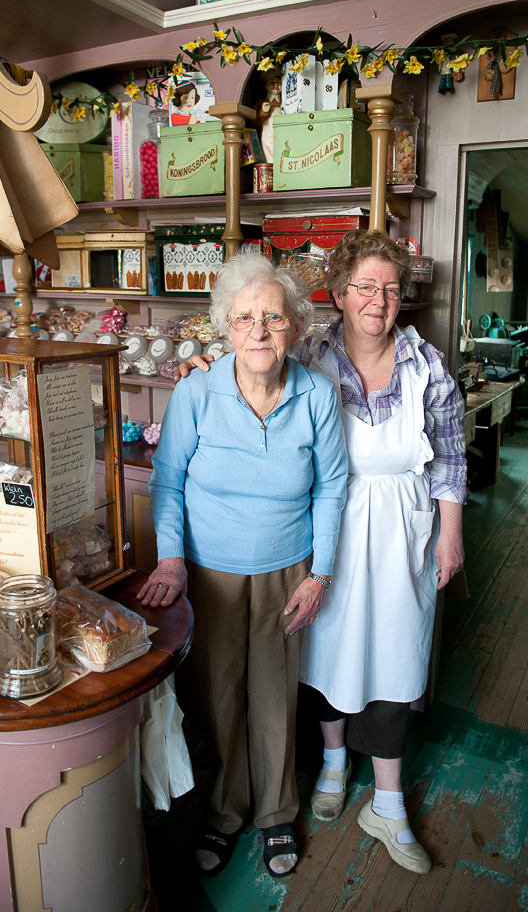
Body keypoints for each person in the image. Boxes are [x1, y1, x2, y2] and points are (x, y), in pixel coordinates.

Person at [177, 230, 466, 876]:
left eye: (390, 288)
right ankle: (333, 766)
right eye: (364, 285)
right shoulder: (309, 351)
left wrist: (451, 531)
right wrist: (200, 366)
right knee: (329, 649)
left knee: (395, 650)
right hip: (327, 526)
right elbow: (252, 360)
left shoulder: (427, 365)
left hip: (401, 527)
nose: (378, 299)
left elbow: (449, 454)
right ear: (338, 293)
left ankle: (388, 802)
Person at [139, 252, 348, 879]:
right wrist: (171, 558)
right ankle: (226, 812)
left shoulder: (316, 393)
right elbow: (168, 481)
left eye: (273, 318)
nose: (259, 331)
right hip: (209, 573)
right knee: (219, 696)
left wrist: (322, 574)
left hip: (289, 569)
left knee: (275, 697)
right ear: (225, 328)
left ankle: (277, 813)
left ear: (296, 326)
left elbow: (332, 488)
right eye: (244, 318)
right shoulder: (198, 390)